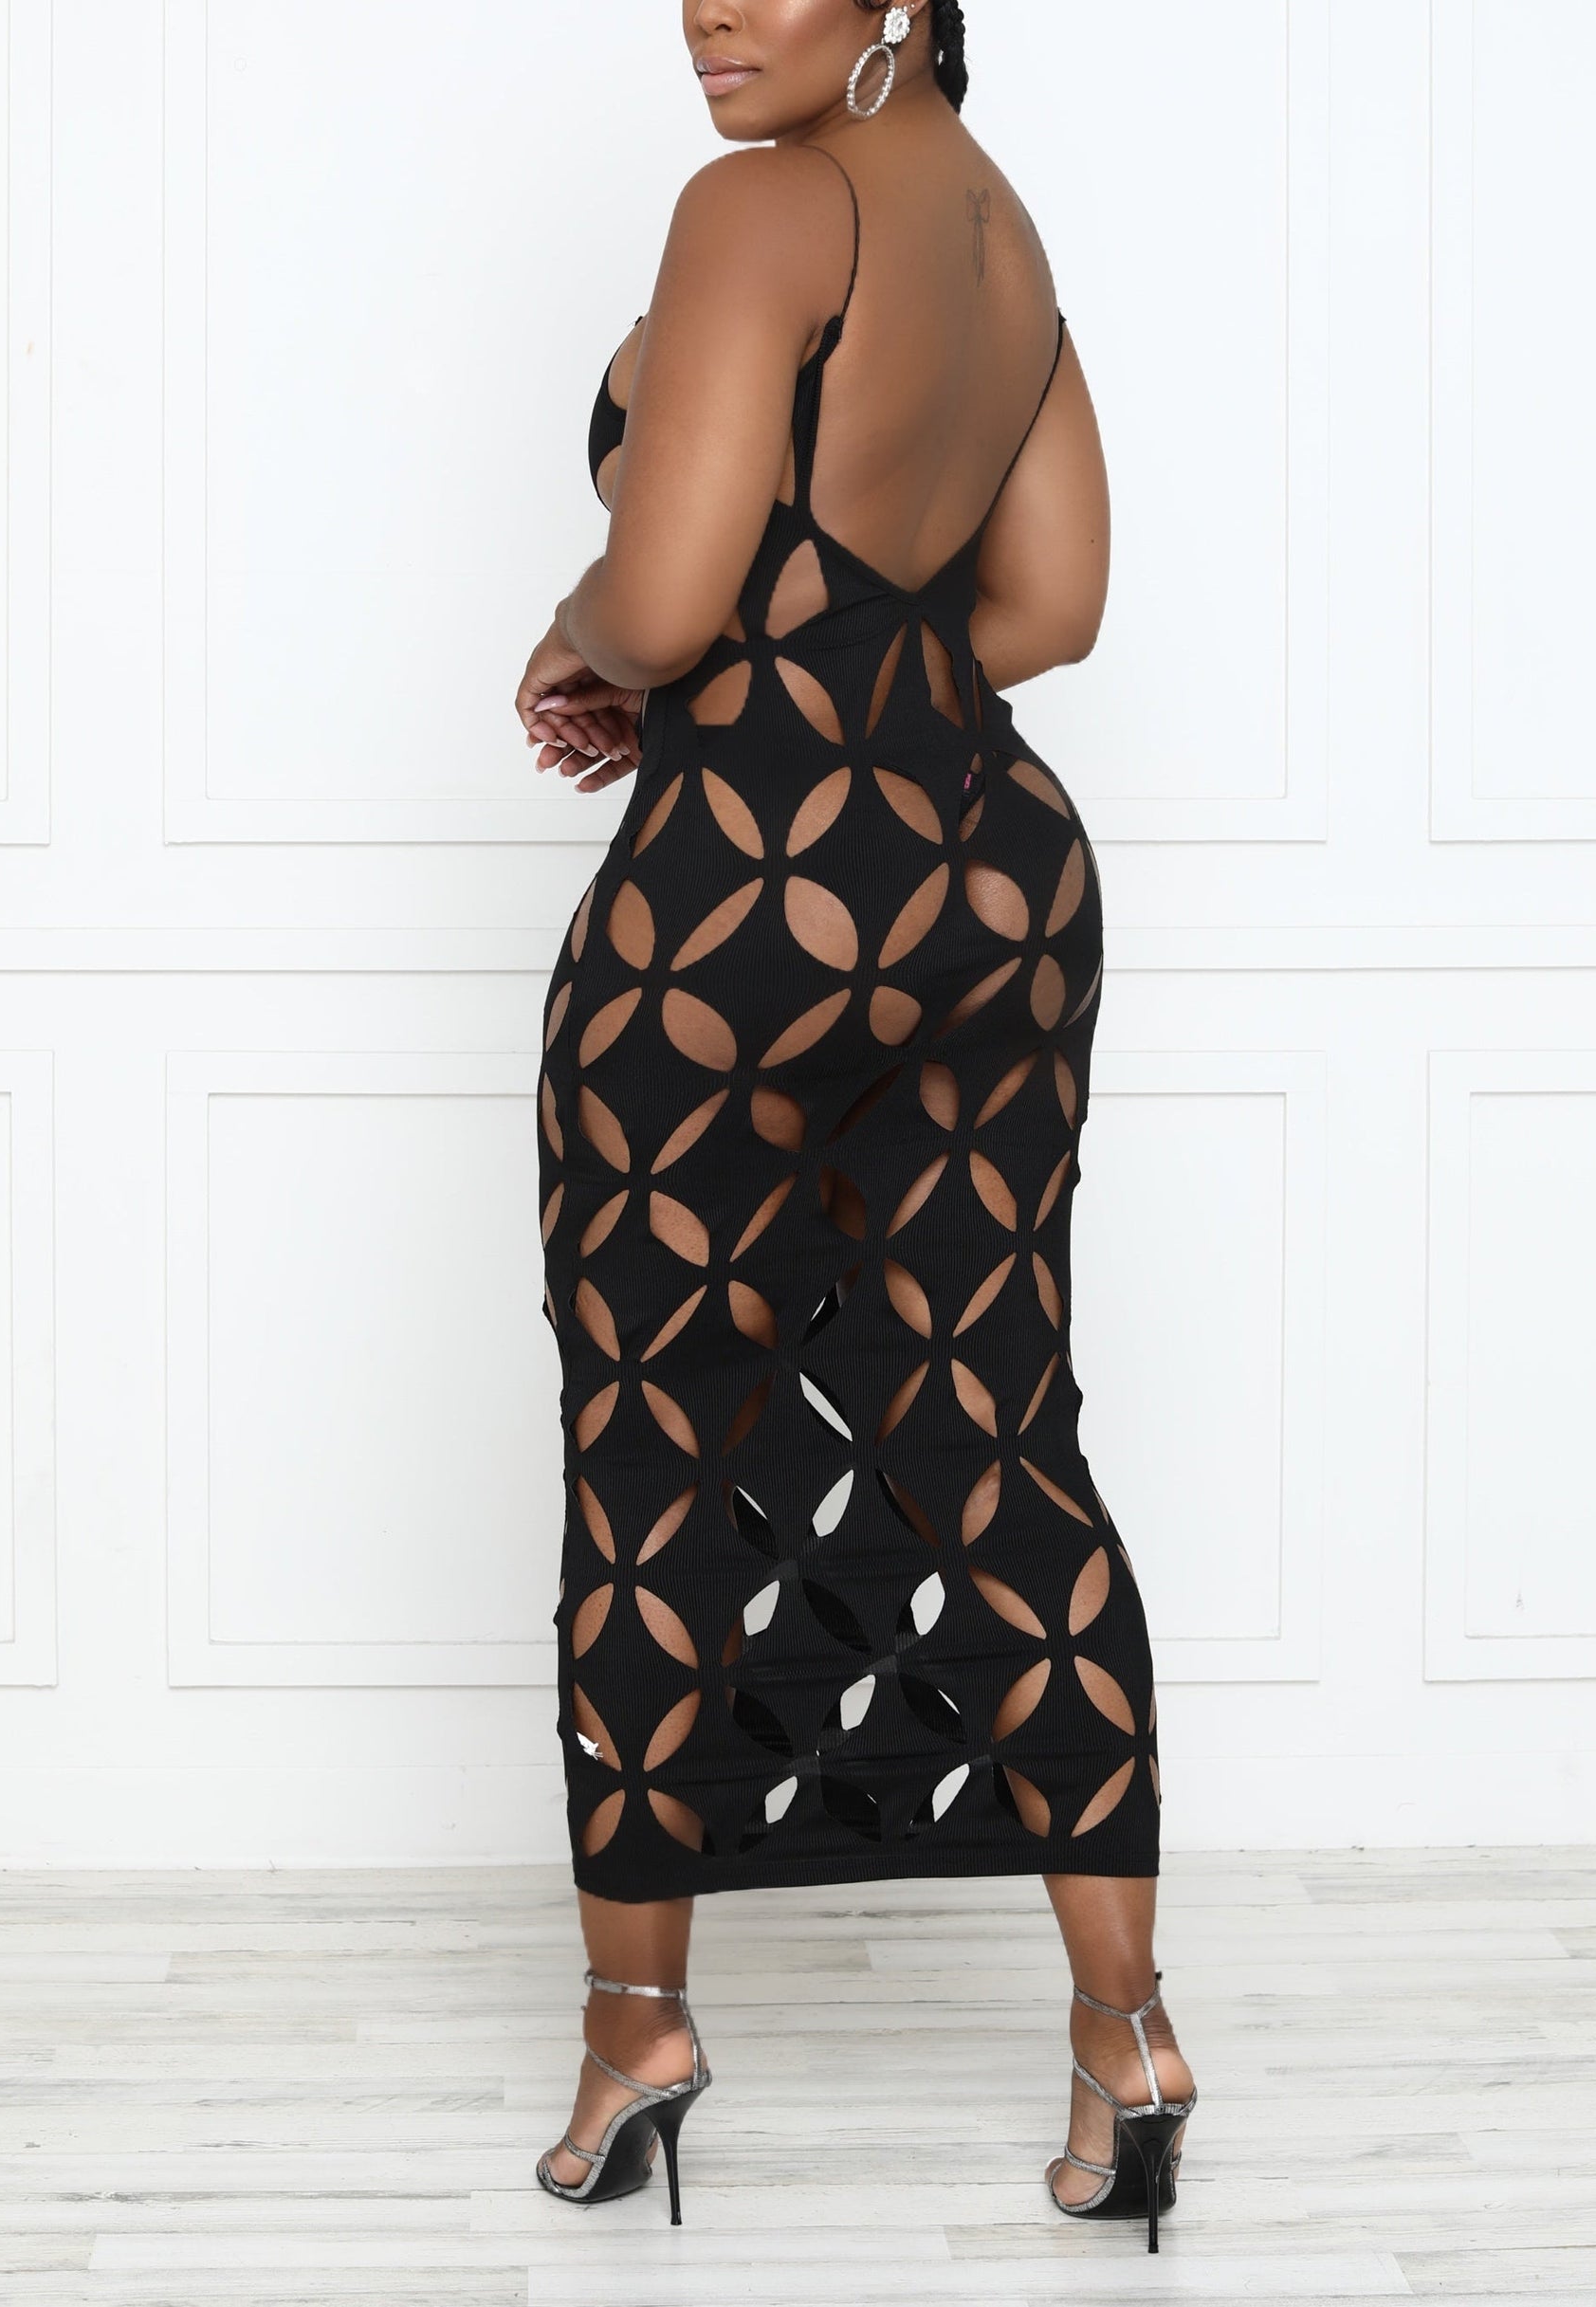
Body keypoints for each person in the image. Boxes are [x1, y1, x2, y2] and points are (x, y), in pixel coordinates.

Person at [516, 0, 1198, 2249]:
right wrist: (852, 692)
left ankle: (638, 2025)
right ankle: (1125, 2027)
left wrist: (587, 632)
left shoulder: (757, 209)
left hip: (741, 903)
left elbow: (668, 591)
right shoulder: (1001, 237)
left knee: (653, 1444)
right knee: (999, 1431)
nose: (711, 7)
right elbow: (1050, 605)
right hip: (992, 874)